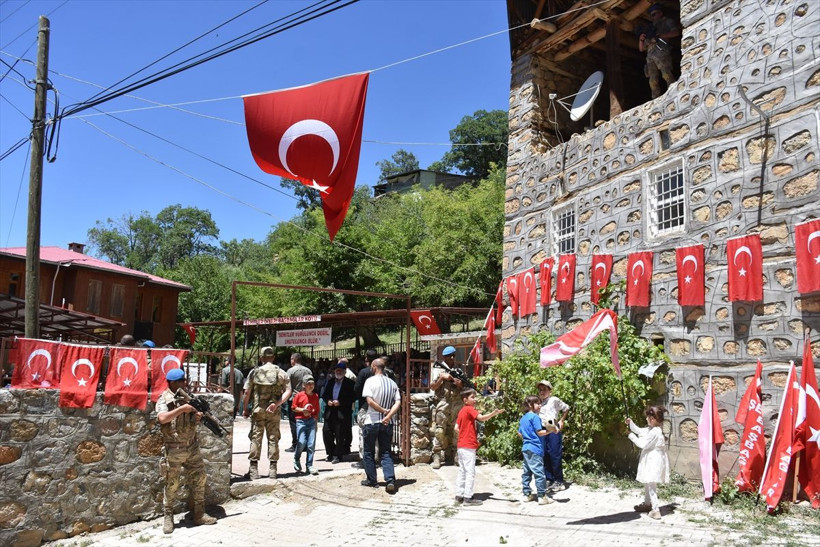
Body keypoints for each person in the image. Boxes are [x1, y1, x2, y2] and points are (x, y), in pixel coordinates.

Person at [155, 368, 217, 534]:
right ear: (173, 383)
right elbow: (162, 418)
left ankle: (199, 514)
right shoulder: (165, 398)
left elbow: (191, 423)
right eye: (182, 380)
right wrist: (182, 409)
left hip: (192, 447)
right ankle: (168, 517)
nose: (185, 383)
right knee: (172, 483)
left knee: (200, 478)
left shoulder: (187, 397)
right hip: (174, 448)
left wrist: (196, 418)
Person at [243, 347, 291, 480]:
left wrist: (245, 408)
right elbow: (288, 391)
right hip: (273, 411)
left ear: (261, 358)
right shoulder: (281, 372)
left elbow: (247, 393)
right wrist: (277, 404)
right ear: (273, 357)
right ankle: (273, 470)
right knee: (273, 438)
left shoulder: (255, 372)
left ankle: (253, 470)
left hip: (258, 410)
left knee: (256, 438)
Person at [454, 388, 505, 506]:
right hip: (469, 445)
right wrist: (494, 413)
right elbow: (481, 418)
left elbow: (456, 428)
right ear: (465, 400)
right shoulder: (470, 409)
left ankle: (459, 495)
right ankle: (467, 498)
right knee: (470, 472)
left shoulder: (461, 411)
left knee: (462, 471)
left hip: (461, 445)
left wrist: (463, 434)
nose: (475, 399)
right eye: (472, 397)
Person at [361, 357, 400, 493]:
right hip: (387, 422)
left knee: (369, 452)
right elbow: (398, 403)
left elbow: (369, 401)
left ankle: (372, 480)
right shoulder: (392, 383)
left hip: (372, 420)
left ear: (374, 367)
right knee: (386, 452)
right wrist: (388, 415)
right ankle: (390, 479)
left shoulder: (370, 381)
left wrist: (383, 411)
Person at [626, 405, 670, 520]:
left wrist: (630, 436)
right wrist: (631, 423)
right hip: (650, 459)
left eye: (648, 417)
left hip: (653, 461)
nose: (646, 419)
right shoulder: (651, 429)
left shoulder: (655, 432)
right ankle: (647, 504)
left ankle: (655, 510)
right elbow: (640, 431)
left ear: (653, 419)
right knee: (647, 481)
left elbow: (642, 444)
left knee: (651, 484)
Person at [429, 346, 464, 469]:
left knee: (456, 430)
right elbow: (432, 387)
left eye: (454, 355)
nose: (452, 358)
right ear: (444, 357)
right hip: (442, 403)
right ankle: (437, 455)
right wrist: (442, 378)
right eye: (450, 356)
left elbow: (464, 388)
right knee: (439, 430)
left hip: (456, 403)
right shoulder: (438, 369)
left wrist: (459, 384)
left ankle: (456, 455)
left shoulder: (458, 369)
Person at [517, 395, 554, 506]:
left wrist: (527, 436)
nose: (540, 405)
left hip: (525, 448)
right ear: (530, 405)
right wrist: (550, 430)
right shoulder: (535, 417)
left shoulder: (523, 418)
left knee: (526, 473)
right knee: (539, 474)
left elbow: (519, 433)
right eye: (537, 403)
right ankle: (542, 496)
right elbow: (539, 432)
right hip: (535, 449)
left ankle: (527, 494)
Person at [639, 3, 680, 99]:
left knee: (666, 73)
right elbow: (641, 48)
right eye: (651, 15)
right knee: (652, 80)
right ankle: (655, 98)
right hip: (650, 56)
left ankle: (673, 93)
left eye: (655, 14)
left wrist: (661, 36)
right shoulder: (650, 28)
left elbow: (676, 32)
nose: (653, 17)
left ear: (660, 13)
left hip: (662, 51)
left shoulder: (667, 21)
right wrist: (641, 39)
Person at [537, 380, 570, 491]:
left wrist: (562, 420)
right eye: (540, 390)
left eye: (544, 389)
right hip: (542, 429)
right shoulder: (537, 402)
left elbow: (566, 408)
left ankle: (559, 481)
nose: (542, 392)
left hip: (553, 429)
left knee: (555, 454)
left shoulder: (554, 400)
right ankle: (549, 478)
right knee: (544, 453)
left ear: (550, 391)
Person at [322, 359, 356, 463]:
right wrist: (328, 400)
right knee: (326, 432)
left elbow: (353, 397)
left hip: (342, 412)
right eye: (337, 370)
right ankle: (330, 453)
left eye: (341, 370)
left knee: (340, 434)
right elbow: (324, 395)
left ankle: (338, 455)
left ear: (345, 371)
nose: (338, 372)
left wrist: (340, 402)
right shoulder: (330, 381)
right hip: (330, 412)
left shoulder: (350, 383)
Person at [353, 349, 378, 465]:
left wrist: (361, 398)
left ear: (366, 358)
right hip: (381, 406)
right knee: (378, 434)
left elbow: (357, 388)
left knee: (364, 433)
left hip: (365, 405)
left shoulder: (364, 372)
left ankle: (365, 460)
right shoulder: (385, 372)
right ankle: (378, 458)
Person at [292, 376, 320, 475]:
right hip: (301, 421)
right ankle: (296, 458)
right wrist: (302, 410)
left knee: (311, 444)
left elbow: (316, 412)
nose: (310, 386)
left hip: (311, 421)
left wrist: (315, 424)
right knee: (301, 442)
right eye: (308, 384)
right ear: (304, 385)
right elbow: (294, 407)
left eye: (312, 383)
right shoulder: (299, 395)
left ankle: (309, 465)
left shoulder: (315, 396)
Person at [285, 353, 312, 452]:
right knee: (305, 421)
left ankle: (296, 444)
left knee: (294, 422)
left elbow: (287, 386)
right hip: (306, 399)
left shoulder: (290, 371)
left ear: (294, 360)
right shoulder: (308, 370)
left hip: (294, 399)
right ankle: (305, 443)